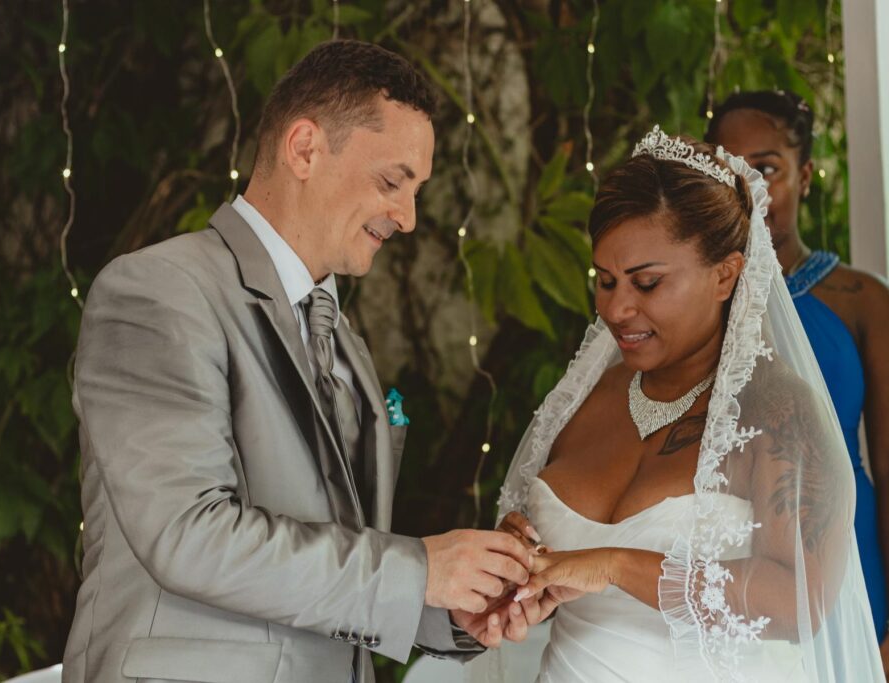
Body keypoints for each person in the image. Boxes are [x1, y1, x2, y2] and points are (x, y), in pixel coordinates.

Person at [61, 40, 534, 683]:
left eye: (415, 191)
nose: (408, 217)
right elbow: (189, 536)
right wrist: (419, 570)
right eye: (392, 182)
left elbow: (332, 576)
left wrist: (450, 608)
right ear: (305, 148)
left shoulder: (345, 341)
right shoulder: (158, 291)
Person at [466, 126, 884, 682]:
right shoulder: (588, 394)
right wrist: (520, 556)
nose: (616, 309)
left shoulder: (778, 412)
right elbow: (539, 546)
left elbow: (799, 601)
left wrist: (614, 565)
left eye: (647, 283)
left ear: (725, 275)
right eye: (606, 281)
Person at [707, 90, 889, 681]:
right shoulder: (700, 303)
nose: (750, 188)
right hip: (733, 559)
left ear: (804, 176)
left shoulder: (863, 302)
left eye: (768, 168)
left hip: (848, 555)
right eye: (732, 170)